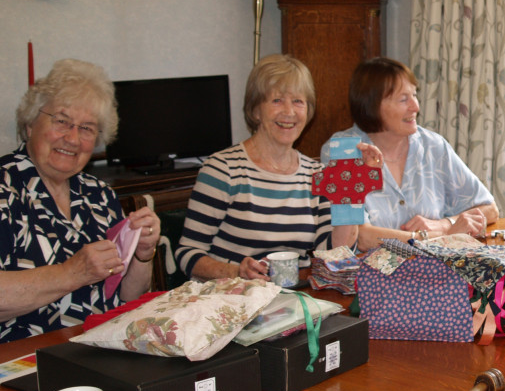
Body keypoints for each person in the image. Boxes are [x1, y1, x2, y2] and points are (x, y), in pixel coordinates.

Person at [175, 54, 377, 281]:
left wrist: (353, 187)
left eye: (298, 101)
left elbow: (334, 254)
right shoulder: (223, 169)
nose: (289, 112)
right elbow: (187, 254)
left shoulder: (316, 174)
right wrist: (237, 272)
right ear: (255, 110)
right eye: (277, 100)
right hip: (231, 301)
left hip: (291, 299)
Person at [0, 59, 160, 343]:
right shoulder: (6, 188)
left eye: (87, 128)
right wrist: (72, 273)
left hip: (100, 347)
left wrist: (142, 255)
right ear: (29, 125)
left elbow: (125, 298)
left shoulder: (99, 195)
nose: (72, 138)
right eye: (62, 121)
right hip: (21, 360)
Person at [328, 57, 498, 252]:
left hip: (434, 273)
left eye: (414, 96)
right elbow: (363, 238)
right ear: (373, 105)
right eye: (403, 99)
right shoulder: (343, 151)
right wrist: (442, 236)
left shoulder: (433, 146)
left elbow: (489, 209)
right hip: (374, 277)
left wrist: (444, 224)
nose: (415, 107)